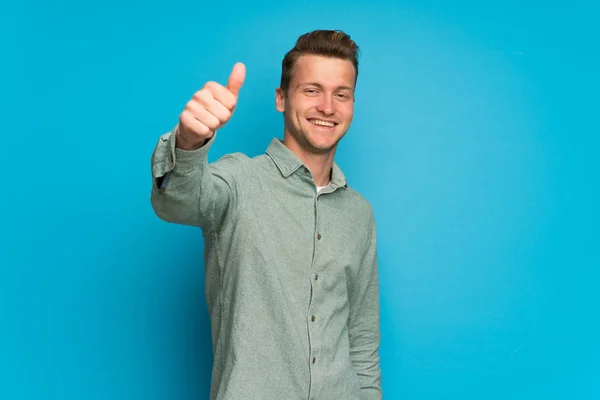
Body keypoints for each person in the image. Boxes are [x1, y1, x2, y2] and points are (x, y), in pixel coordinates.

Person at [150, 29, 382, 400]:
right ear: (280, 98)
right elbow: (177, 201)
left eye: (341, 94)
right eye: (311, 90)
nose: (327, 106)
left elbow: (363, 343)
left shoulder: (360, 214)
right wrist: (189, 142)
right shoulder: (239, 180)